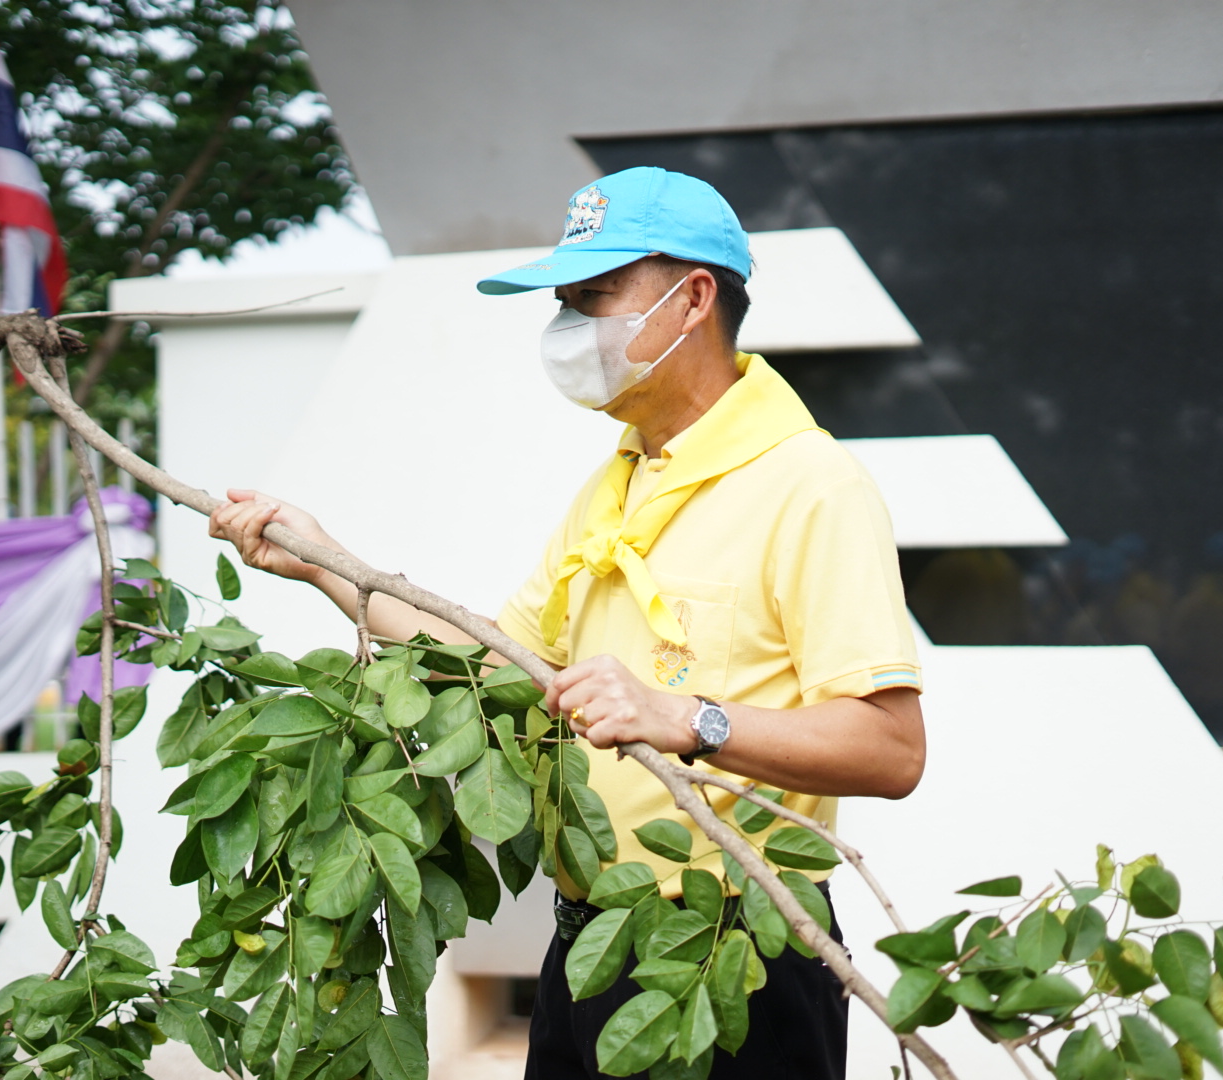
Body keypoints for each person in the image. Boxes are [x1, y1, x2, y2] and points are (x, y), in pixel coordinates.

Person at [208, 166, 927, 1079]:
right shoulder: (619, 480)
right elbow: (499, 661)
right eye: (564, 303)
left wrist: (691, 719)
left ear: (693, 297)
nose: (569, 328)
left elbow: (892, 749)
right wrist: (321, 563)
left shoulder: (811, 486)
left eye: (595, 297)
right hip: (588, 938)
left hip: (733, 955)